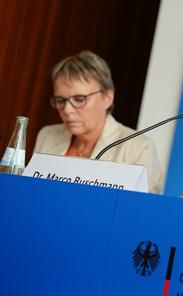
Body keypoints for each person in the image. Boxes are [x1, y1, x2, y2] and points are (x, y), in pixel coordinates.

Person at [34, 50, 165, 194]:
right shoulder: (47, 135)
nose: (67, 110)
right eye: (60, 100)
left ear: (107, 98)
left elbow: (141, 211)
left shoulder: (138, 148)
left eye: (79, 99)